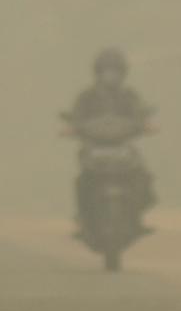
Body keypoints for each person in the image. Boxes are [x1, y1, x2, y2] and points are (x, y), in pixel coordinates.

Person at [65, 48, 156, 246]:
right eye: (107, 71)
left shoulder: (129, 96)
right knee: (82, 181)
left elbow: (140, 114)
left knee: (142, 175)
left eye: (115, 71)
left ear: (122, 73)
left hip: (122, 147)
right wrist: (72, 127)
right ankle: (83, 218)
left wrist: (145, 124)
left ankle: (136, 216)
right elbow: (76, 116)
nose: (111, 75)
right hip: (94, 147)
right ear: (98, 73)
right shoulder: (86, 97)